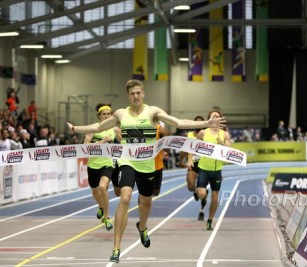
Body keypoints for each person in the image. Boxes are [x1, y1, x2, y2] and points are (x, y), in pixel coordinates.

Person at [66, 79, 225, 263]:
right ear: (128, 95)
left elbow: (179, 123)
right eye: (132, 93)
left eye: (138, 93)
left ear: (143, 93)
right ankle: (116, 248)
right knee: (124, 197)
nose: (136, 96)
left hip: (147, 165)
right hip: (127, 162)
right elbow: (98, 127)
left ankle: (142, 227)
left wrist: (207, 123)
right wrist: (75, 128)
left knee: (146, 204)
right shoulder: (121, 114)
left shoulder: (152, 112)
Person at [84, 103, 121, 231]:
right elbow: (85, 147)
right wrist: (102, 142)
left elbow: (124, 143)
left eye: (108, 114)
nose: (106, 116)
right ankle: (101, 206)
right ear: (99, 116)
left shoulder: (115, 130)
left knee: (102, 187)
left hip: (108, 163)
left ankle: (106, 217)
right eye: (104, 114)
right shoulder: (93, 129)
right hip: (93, 165)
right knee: (95, 192)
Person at [196, 110, 231, 230]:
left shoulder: (224, 134)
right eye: (213, 116)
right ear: (209, 118)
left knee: (215, 198)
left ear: (220, 119)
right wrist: (191, 159)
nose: (215, 117)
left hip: (217, 170)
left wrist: (222, 143)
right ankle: (204, 197)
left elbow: (229, 150)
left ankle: (210, 220)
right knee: (201, 193)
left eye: (217, 116)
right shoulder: (202, 132)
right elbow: (194, 146)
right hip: (203, 168)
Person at [178, 116, 205, 218]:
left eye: (201, 123)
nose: (198, 125)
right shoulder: (188, 135)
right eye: (197, 123)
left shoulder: (206, 135)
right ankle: (195, 191)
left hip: (204, 164)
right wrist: (181, 161)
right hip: (192, 163)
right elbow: (183, 150)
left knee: (201, 191)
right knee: (190, 186)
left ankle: (202, 210)